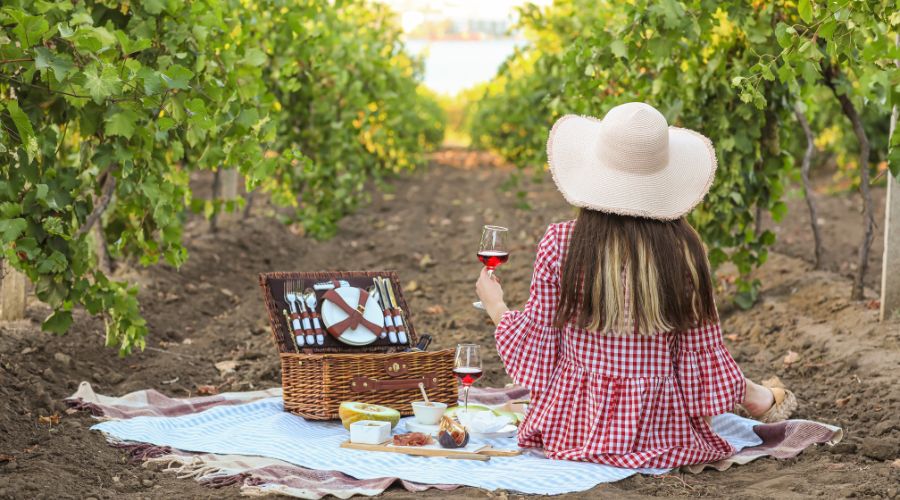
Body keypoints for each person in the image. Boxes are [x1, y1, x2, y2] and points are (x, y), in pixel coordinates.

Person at [474, 102, 796, 468]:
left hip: (575, 427)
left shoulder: (562, 244)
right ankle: (755, 396)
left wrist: (495, 305)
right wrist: (734, 393)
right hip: (660, 428)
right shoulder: (684, 252)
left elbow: (540, 350)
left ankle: (754, 394)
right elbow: (699, 353)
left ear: (596, 169)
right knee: (711, 375)